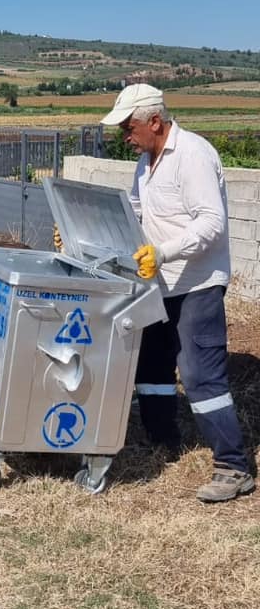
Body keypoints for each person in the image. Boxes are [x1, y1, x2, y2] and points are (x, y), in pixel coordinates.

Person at [101, 82, 254, 503]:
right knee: (151, 366)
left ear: (155, 121)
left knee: (201, 374)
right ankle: (162, 440)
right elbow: (134, 213)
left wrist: (163, 251)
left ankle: (233, 465)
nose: (125, 137)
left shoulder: (193, 155)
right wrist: (93, 232)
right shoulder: (146, 162)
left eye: (129, 127)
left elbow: (212, 224)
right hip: (159, 282)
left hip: (197, 283)